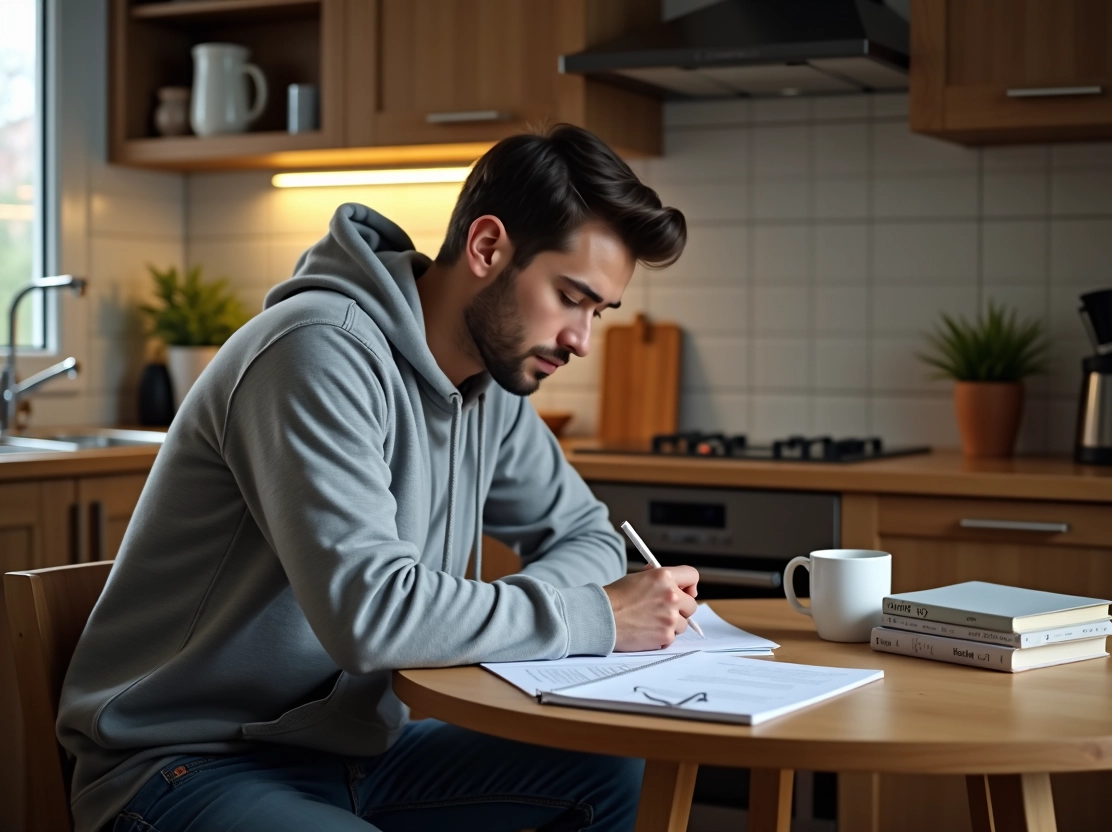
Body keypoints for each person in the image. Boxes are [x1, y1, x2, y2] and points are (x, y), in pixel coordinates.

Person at [57, 124, 693, 832]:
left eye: (597, 311)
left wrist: (542, 612)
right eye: (571, 297)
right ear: (488, 248)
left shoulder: (492, 389)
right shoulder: (316, 354)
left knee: (608, 772)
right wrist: (591, 615)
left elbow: (587, 534)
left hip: (357, 755)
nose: (581, 339)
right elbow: (373, 616)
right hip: (184, 764)